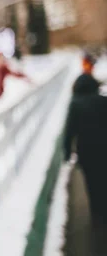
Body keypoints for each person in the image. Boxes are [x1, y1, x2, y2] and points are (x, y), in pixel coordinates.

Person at [63, 54, 107, 225]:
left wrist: (67, 152)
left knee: (92, 181)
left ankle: (97, 212)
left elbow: (69, 131)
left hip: (86, 151)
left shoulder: (75, 105)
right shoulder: (103, 102)